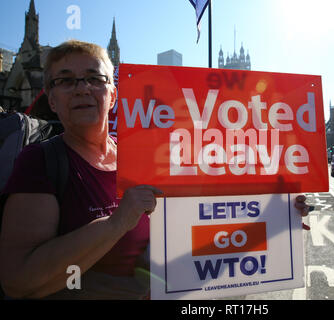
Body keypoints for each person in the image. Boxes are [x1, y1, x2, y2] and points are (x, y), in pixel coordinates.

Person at [0, 40, 311, 300]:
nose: (82, 89)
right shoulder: (39, 162)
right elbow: (20, 280)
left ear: (113, 96)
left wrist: (274, 220)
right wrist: (117, 223)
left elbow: (197, 227)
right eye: (66, 80)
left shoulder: (145, 155)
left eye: (95, 78)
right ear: (51, 99)